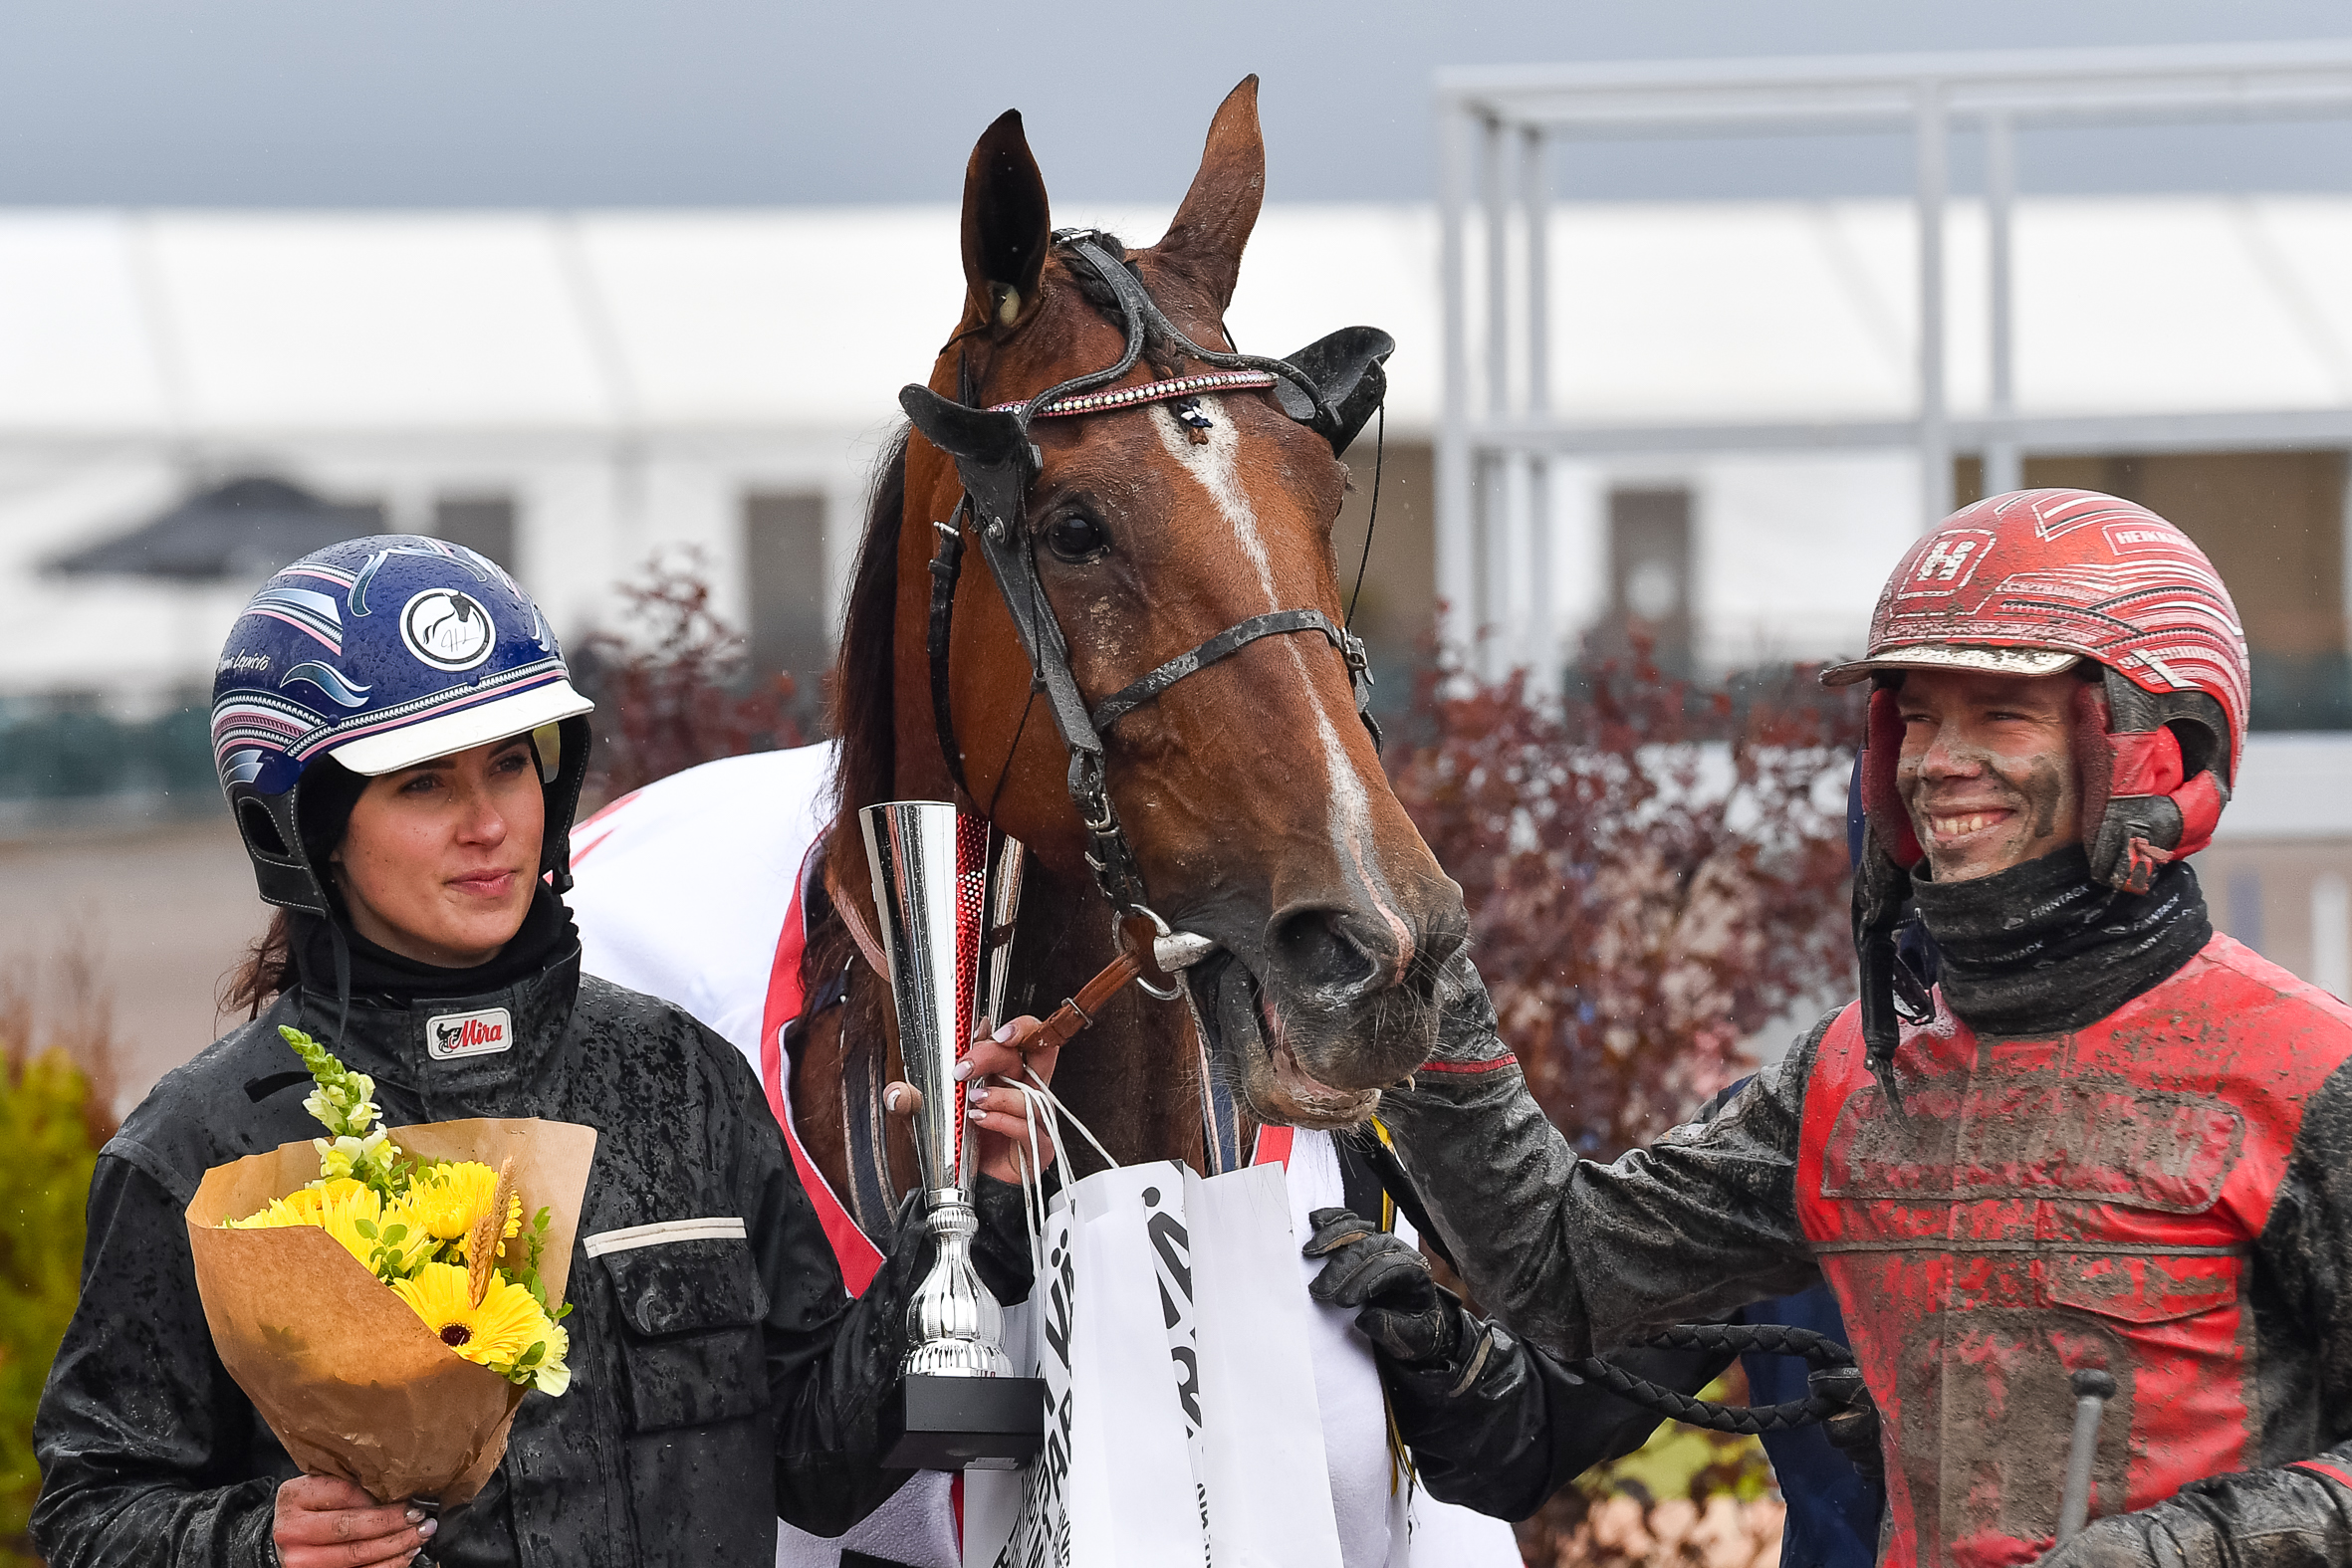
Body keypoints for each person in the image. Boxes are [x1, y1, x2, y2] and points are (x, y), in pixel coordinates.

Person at [1311, 488, 2352, 1568]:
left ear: (2158, 749)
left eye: (2001, 712)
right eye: (1917, 718)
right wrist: (1409, 955)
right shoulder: (1850, 1077)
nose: (1938, 761)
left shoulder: (2307, 1072)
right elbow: (1563, 1267)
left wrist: (2179, 1552)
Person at [31, 537, 1053, 1568]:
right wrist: (254, 1543)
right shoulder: (201, 1147)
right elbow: (85, 1519)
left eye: (510, 765)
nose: (488, 824)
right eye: (423, 784)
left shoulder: (682, 1080)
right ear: (301, 827)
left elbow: (821, 1470)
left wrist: (975, 1210)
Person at [563, 745, 1527, 1568]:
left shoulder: (1340, 989)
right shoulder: (660, 955)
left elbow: (1567, 1363)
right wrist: (972, 1222)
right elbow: (803, 1475)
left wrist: (1459, 1374)